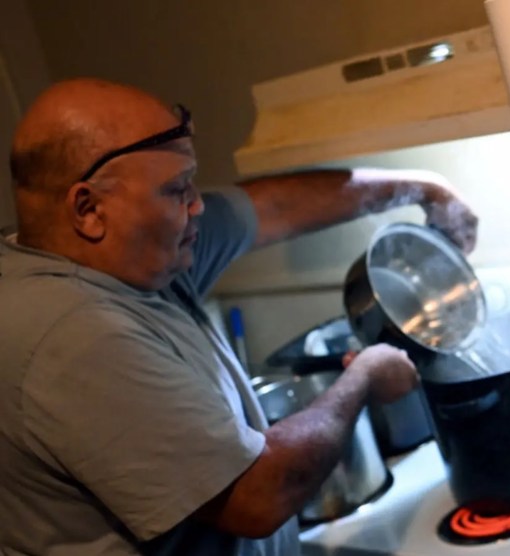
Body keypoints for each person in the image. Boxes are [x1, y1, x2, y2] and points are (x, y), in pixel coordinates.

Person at [0, 78, 479, 555]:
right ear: (87, 209)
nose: (198, 204)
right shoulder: (71, 336)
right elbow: (258, 494)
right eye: (176, 190)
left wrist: (423, 189)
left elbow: (272, 206)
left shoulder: (133, 254)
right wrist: (364, 378)